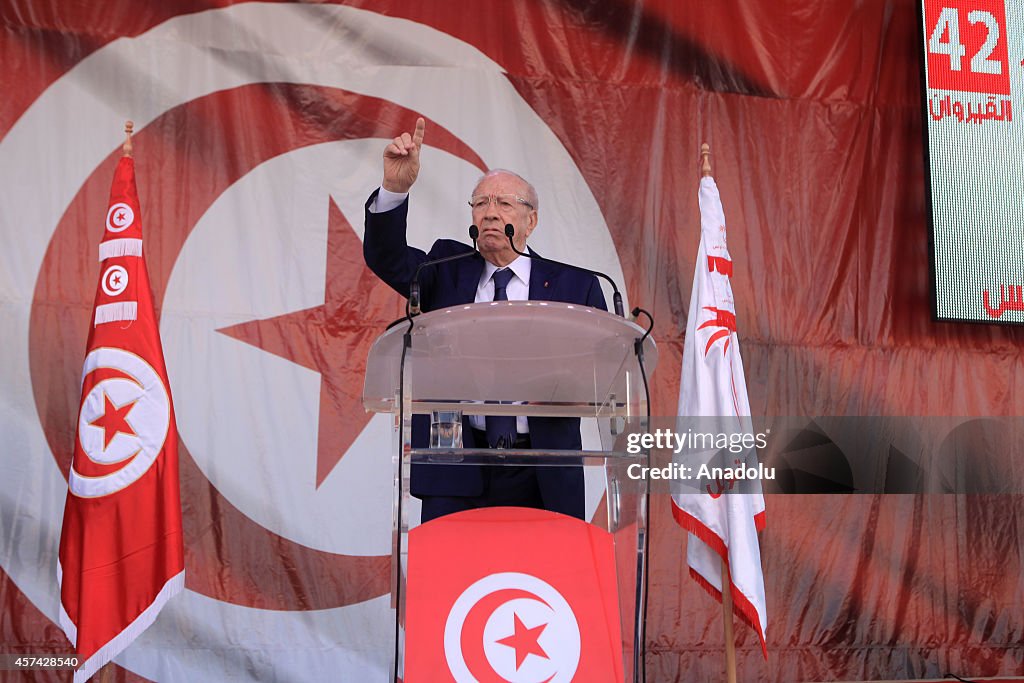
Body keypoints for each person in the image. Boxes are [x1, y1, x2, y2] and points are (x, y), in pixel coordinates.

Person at [363, 118, 607, 522]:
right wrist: (395, 188)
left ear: (531, 221)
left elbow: (602, 374)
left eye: (504, 203)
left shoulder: (575, 287)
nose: (490, 213)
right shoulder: (445, 269)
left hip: (543, 467)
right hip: (457, 463)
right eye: (481, 204)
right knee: (455, 583)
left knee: (540, 582)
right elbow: (385, 257)